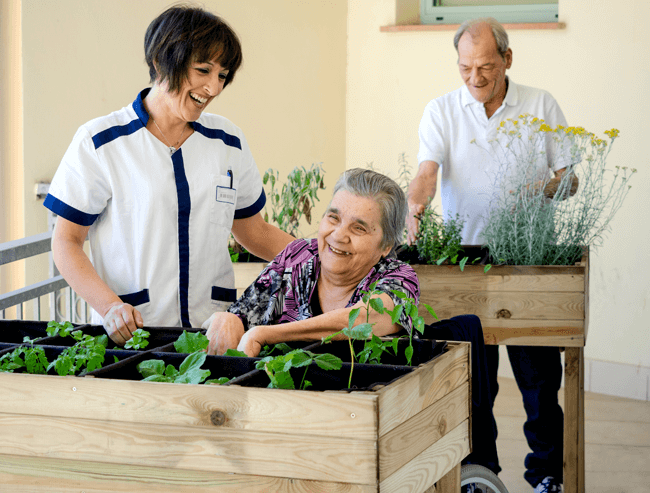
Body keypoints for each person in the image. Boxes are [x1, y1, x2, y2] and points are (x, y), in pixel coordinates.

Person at [44, 6, 294, 345]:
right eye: (203, 70)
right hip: (134, 333)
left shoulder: (228, 141)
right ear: (161, 63)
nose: (213, 88)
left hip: (214, 331)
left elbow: (254, 231)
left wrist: (322, 257)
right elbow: (66, 242)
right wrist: (110, 307)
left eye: (222, 75)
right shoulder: (101, 142)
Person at [406, 17, 568, 493]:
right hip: (466, 264)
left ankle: (546, 477)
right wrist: (416, 199)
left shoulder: (540, 104)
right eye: (465, 68)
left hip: (527, 261)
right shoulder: (441, 110)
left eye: (486, 68)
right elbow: (426, 171)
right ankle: (482, 476)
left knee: (539, 383)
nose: (475, 78)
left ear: (508, 60)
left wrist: (548, 185)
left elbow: (571, 177)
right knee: (477, 385)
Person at [204, 168, 420, 356]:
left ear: (386, 245)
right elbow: (245, 312)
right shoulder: (298, 257)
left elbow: (365, 318)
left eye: (358, 228)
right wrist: (230, 319)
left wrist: (266, 335)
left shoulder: (399, 278)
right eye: (333, 218)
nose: (338, 235)